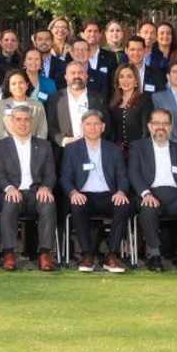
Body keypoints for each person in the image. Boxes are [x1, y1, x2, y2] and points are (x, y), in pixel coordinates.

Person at [128, 108, 177, 273]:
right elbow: (133, 173)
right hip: (150, 194)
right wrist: (146, 194)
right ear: (149, 126)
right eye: (156, 123)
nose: (160, 127)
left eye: (165, 123)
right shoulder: (138, 147)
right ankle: (154, 256)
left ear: (171, 127)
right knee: (147, 209)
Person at [60, 111, 131, 273]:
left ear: (103, 127)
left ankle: (111, 255)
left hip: (109, 195)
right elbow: (65, 177)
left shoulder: (114, 149)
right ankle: (87, 255)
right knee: (76, 205)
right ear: (82, 127)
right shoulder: (71, 149)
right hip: (83, 195)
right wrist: (73, 193)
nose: (92, 128)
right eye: (88, 124)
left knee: (123, 205)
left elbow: (122, 176)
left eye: (96, 124)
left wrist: (121, 192)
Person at [0, 104, 58, 272]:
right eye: (18, 119)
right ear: (11, 122)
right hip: (11, 191)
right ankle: (9, 253)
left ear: (32, 122)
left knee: (48, 203)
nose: (23, 123)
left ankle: (45, 253)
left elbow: (50, 174)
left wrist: (46, 187)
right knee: (10, 202)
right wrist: (8, 188)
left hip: (36, 192)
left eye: (27, 120)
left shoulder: (44, 145)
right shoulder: (0, 146)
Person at [47, 61, 106, 149]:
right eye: (73, 73)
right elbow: (51, 126)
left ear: (86, 76)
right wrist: (64, 140)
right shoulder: (55, 99)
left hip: (93, 148)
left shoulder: (99, 99)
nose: (76, 76)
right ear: (66, 77)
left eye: (80, 73)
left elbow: (105, 125)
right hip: (65, 151)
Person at [105, 64, 151, 153]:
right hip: (117, 152)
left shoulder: (144, 100)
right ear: (117, 81)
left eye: (129, 77)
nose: (125, 80)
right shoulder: (112, 102)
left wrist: (139, 151)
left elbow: (146, 131)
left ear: (136, 81)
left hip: (138, 151)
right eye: (121, 77)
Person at [0, 70, 49, 142]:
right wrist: (15, 145)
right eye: (13, 84)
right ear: (9, 88)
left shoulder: (38, 105)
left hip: (34, 146)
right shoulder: (0, 105)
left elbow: (42, 130)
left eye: (21, 83)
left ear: (27, 85)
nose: (18, 86)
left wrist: (33, 145)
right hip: (8, 146)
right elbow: (0, 132)